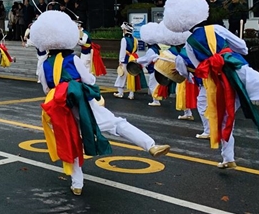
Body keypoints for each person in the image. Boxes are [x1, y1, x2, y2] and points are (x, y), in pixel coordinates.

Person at [31, 11, 171, 196]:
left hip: (60, 109)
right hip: (83, 105)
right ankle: (150, 145)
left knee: (72, 143)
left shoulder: (44, 65)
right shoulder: (72, 59)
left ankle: (77, 184)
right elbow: (89, 80)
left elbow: (46, 89)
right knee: (118, 124)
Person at [164, 0, 259, 169]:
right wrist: (228, 51)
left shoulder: (189, 44)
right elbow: (242, 48)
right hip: (236, 68)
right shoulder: (216, 29)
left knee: (226, 119)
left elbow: (199, 68)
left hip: (218, 81)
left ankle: (228, 158)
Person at [114, 22, 146, 99]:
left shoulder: (124, 39)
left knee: (122, 75)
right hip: (133, 59)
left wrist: (120, 61)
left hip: (125, 60)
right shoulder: (135, 40)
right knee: (131, 76)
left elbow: (122, 51)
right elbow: (135, 51)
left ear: (125, 30)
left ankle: (120, 92)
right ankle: (131, 94)